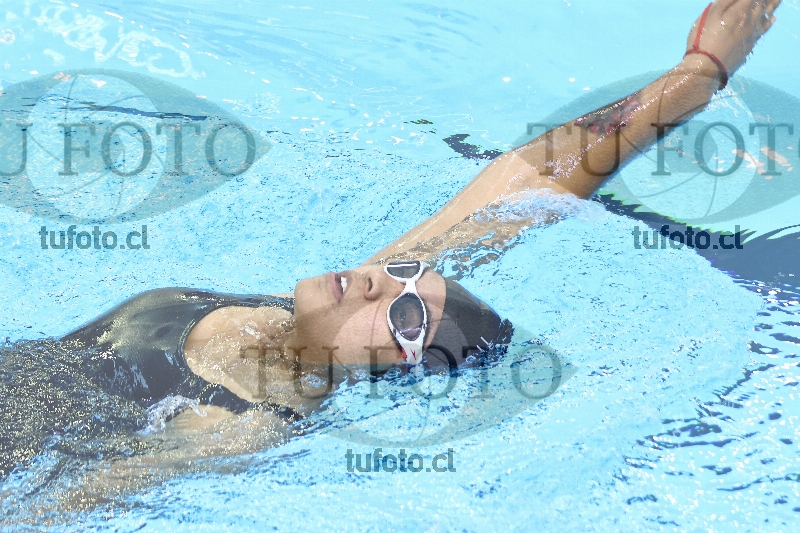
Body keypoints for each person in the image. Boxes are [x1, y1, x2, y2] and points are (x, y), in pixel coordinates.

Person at [0, 0, 780, 495]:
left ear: (387, 368)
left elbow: (63, 508)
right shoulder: (315, 312)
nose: (382, 283)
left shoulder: (241, 424)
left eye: (406, 317)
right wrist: (698, 75)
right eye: (405, 273)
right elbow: (524, 187)